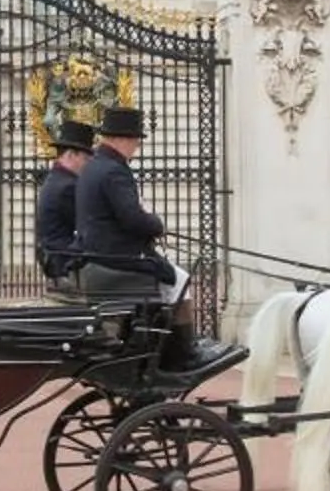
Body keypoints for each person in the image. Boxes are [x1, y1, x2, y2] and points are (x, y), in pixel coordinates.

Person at [70, 106, 227, 368]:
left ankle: (165, 344)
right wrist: (156, 225)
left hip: (100, 253)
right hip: (118, 256)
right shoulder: (114, 170)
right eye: (136, 141)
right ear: (122, 139)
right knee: (179, 280)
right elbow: (132, 218)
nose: (137, 147)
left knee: (170, 281)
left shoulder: (94, 166)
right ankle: (184, 354)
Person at [33, 116, 96, 291]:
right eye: (85, 158)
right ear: (70, 154)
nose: (88, 164)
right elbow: (88, 224)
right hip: (66, 263)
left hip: (57, 258)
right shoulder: (68, 186)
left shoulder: (56, 179)